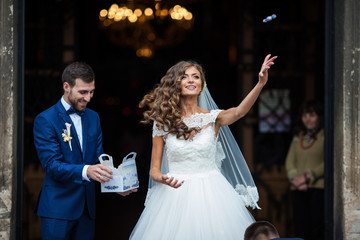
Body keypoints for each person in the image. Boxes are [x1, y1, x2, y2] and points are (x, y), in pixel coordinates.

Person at [130, 54, 277, 239]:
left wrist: (260, 84)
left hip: (212, 193)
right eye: (184, 76)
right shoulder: (163, 123)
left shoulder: (213, 118)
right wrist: (163, 179)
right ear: (176, 84)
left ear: (202, 85)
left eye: (196, 76)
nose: (191, 80)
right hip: (174, 195)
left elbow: (239, 111)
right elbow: (154, 171)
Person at [33, 62, 136, 240]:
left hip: (87, 211)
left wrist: (116, 184)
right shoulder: (45, 120)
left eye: (91, 92)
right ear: (66, 87)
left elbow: (98, 160)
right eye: (83, 92)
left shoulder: (94, 117)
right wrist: (86, 170)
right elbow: (52, 165)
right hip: (58, 210)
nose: (88, 98)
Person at [285, 100, 324, 240]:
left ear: (319, 117)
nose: (307, 119)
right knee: (300, 227)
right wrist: (296, 179)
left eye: (311, 115)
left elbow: (328, 162)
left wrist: (308, 177)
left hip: (317, 188)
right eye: (304, 115)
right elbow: (289, 162)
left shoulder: (325, 136)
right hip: (297, 188)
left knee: (317, 227)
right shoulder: (298, 137)